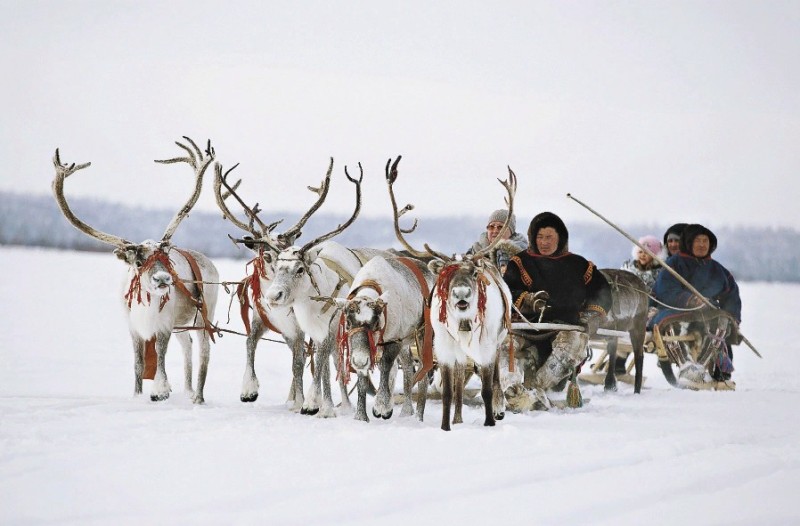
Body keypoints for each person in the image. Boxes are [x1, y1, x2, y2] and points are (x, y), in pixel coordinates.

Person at [501, 212, 612, 409]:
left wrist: (593, 316)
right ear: (533, 238)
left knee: (574, 344)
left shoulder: (578, 264)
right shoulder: (519, 263)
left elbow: (602, 289)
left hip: (566, 326)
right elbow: (507, 289)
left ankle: (536, 389)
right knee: (503, 345)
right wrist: (528, 300)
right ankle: (512, 390)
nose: (544, 242)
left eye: (549, 237)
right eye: (540, 237)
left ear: (560, 237)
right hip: (526, 326)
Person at [651, 224, 742, 388]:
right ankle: (686, 366)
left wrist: (732, 316)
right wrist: (690, 300)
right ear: (689, 243)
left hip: (707, 312)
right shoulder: (673, 264)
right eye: (698, 241)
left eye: (705, 241)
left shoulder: (717, 269)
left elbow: (731, 293)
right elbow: (665, 290)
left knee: (722, 321)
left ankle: (701, 366)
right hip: (675, 310)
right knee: (670, 325)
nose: (702, 245)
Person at [612, 235, 664, 374]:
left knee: (638, 326)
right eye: (640, 251)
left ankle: (619, 360)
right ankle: (616, 359)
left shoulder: (660, 272)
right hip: (628, 304)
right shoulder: (628, 266)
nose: (643, 255)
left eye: (647, 252)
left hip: (649, 306)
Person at [469, 209, 528, 273]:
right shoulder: (475, 250)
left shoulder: (523, 253)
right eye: (491, 227)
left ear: (511, 231)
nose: (495, 231)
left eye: (500, 227)